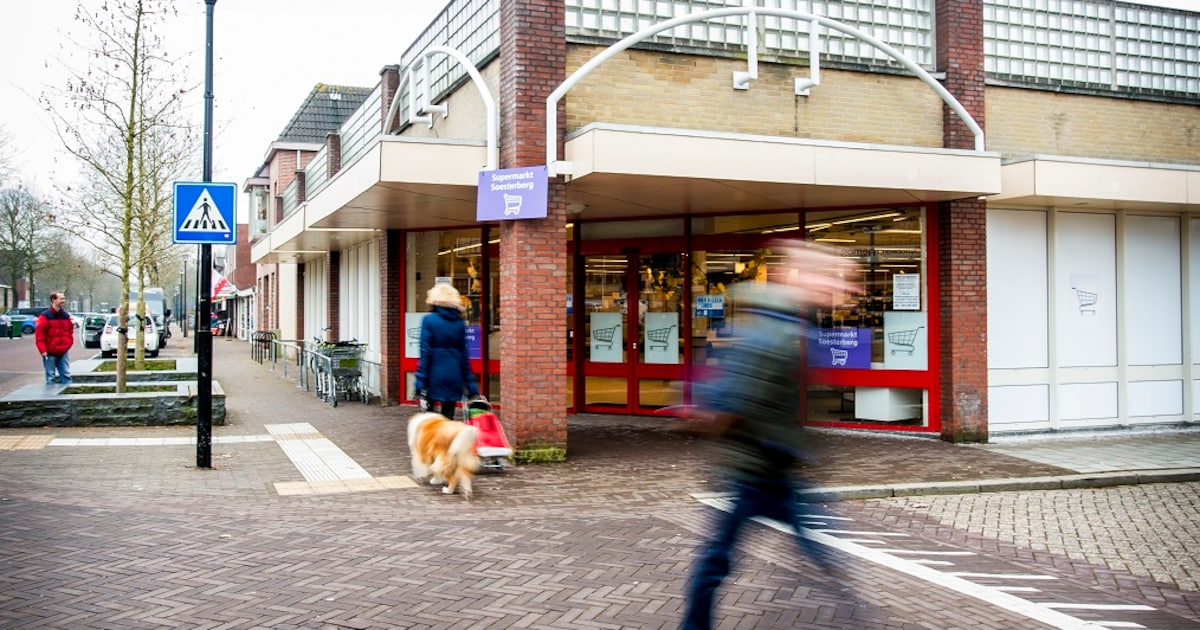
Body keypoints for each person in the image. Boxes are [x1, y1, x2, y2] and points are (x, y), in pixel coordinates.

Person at [680, 242, 854, 630]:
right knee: (718, 557)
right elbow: (737, 401)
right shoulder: (778, 332)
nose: (839, 287)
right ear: (802, 278)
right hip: (754, 467)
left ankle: (852, 606)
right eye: (829, 277)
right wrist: (722, 431)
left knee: (730, 553)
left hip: (774, 466)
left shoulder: (788, 327)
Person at [413, 283, 478, 419]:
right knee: (448, 418)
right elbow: (463, 355)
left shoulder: (429, 320)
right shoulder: (459, 323)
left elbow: (425, 353)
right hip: (454, 376)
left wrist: (420, 379)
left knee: (430, 419)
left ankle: (433, 439)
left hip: (433, 375)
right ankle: (447, 439)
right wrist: (470, 381)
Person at [35, 292, 75, 385]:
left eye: (64, 299)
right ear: (54, 300)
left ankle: (68, 397)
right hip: (49, 351)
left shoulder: (65, 316)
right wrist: (43, 350)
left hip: (63, 350)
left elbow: (70, 330)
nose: (63, 301)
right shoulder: (45, 316)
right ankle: (50, 398)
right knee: (50, 376)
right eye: (61, 299)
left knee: (66, 375)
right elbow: (40, 334)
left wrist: (68, 344)